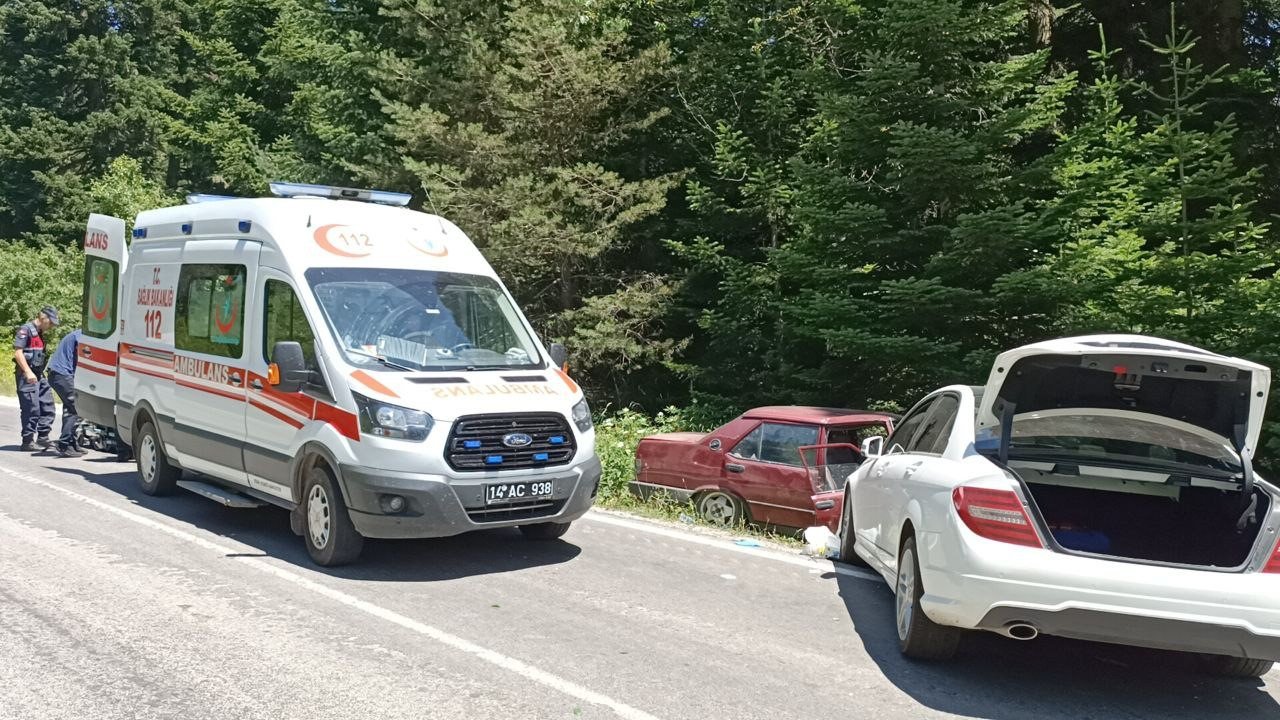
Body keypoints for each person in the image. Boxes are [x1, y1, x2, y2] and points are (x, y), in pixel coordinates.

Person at [13, 306, 58, 451]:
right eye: (51, 322)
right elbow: (18, 353)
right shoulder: (25, 330)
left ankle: (43, 437)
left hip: (39, 375)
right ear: (43, 317)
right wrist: (27, 371)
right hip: (27, 375)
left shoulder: (39, 334)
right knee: (31, 409)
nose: (51, 326)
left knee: (48, 405)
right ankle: (27, 441)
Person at [46, 327, 85, 458]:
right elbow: (85, 355)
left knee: (69, 408)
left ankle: (71, 443)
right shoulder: (82, 336)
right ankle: (64, 444)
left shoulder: (77, 334)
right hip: (62, 374)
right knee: (77, 407)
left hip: (58, 374)